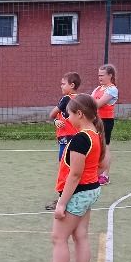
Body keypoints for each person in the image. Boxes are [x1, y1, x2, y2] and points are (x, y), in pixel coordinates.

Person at [29, 94, 105, 262]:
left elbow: (75, 174)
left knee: (58, 238)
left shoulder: (81, 139)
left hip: (78, 193)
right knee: (81, 235)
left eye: (69, 114)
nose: (67, 118)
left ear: (79, 114)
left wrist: (61, 203)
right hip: (89, 191)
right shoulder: (94, 134)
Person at [45, 71, 81, 211]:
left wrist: (55, 121)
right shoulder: (82, 99)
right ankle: (73, 196)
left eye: (63, 83)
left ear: (72, 85)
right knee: (75, 169)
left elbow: (51, 114)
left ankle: (62, 199)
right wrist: (56, 121)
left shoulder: (66, 99)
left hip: (66, 139)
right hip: (79, 138)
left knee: (64, 169)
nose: (61, 86)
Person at [91, 63, 118, 185]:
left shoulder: (112, 89)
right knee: (96, 147)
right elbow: (90, 101)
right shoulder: (98, 89)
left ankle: (105, 175)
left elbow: (96, 104)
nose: (100, 77)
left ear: (110, 75)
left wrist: (92, 102)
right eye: (98, 75)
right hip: (95, 120)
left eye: (102, 75)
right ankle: (96, 172)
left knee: (105, 147)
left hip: (106, 121)